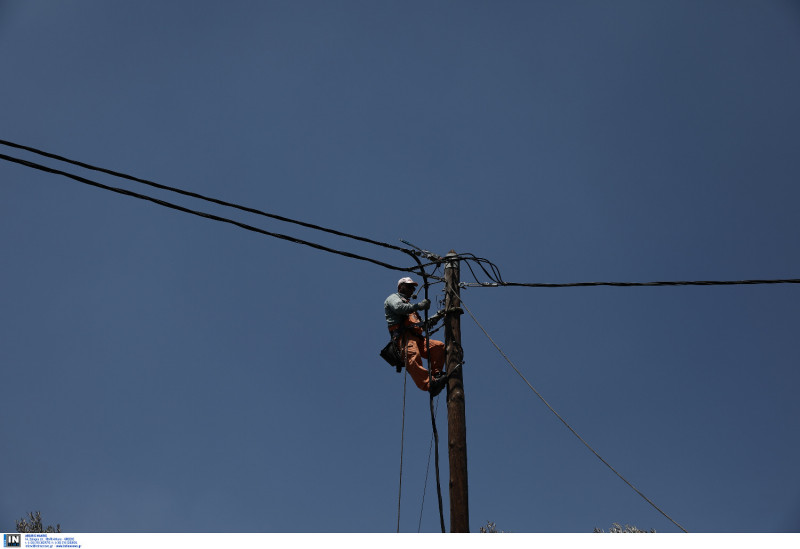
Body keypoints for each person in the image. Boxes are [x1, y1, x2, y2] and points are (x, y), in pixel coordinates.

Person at [384, 277, 447, 395]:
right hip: (405, 338)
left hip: (418, 338)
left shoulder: (411, 309)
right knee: (413, 357)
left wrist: (439, 315)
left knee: (438, 346)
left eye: (413, 287)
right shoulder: (393, 298)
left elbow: (422, 324)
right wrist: (419, 305)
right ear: (400, 287)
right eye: (409, 286)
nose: (412, 289)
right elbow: (398, 308)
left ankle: (436, 374)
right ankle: (429, 384)